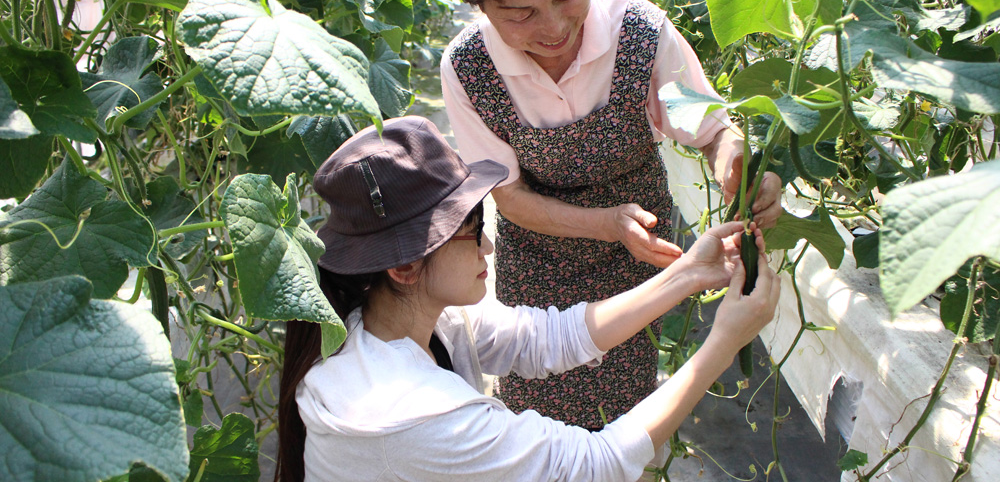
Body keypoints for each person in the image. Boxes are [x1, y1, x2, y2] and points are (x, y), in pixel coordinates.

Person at [436, 0, 784, 428]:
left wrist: (736, 162)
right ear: (480, 7)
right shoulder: (468, 68)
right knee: (538, 405)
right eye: (519, 14)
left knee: (626, 403)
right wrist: (605, 223)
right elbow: (509, 197)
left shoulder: (640, 31)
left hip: (639, 254)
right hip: (540, 259)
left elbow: (711, 130)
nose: (551, 28)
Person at [274, 115, 780, 482]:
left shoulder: (404, 319)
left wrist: (689, 274)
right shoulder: (408, 414)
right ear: (405, 266)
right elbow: (594, 465)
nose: (489, 242)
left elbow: (547, 337)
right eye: (471, 227)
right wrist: (724, 340)